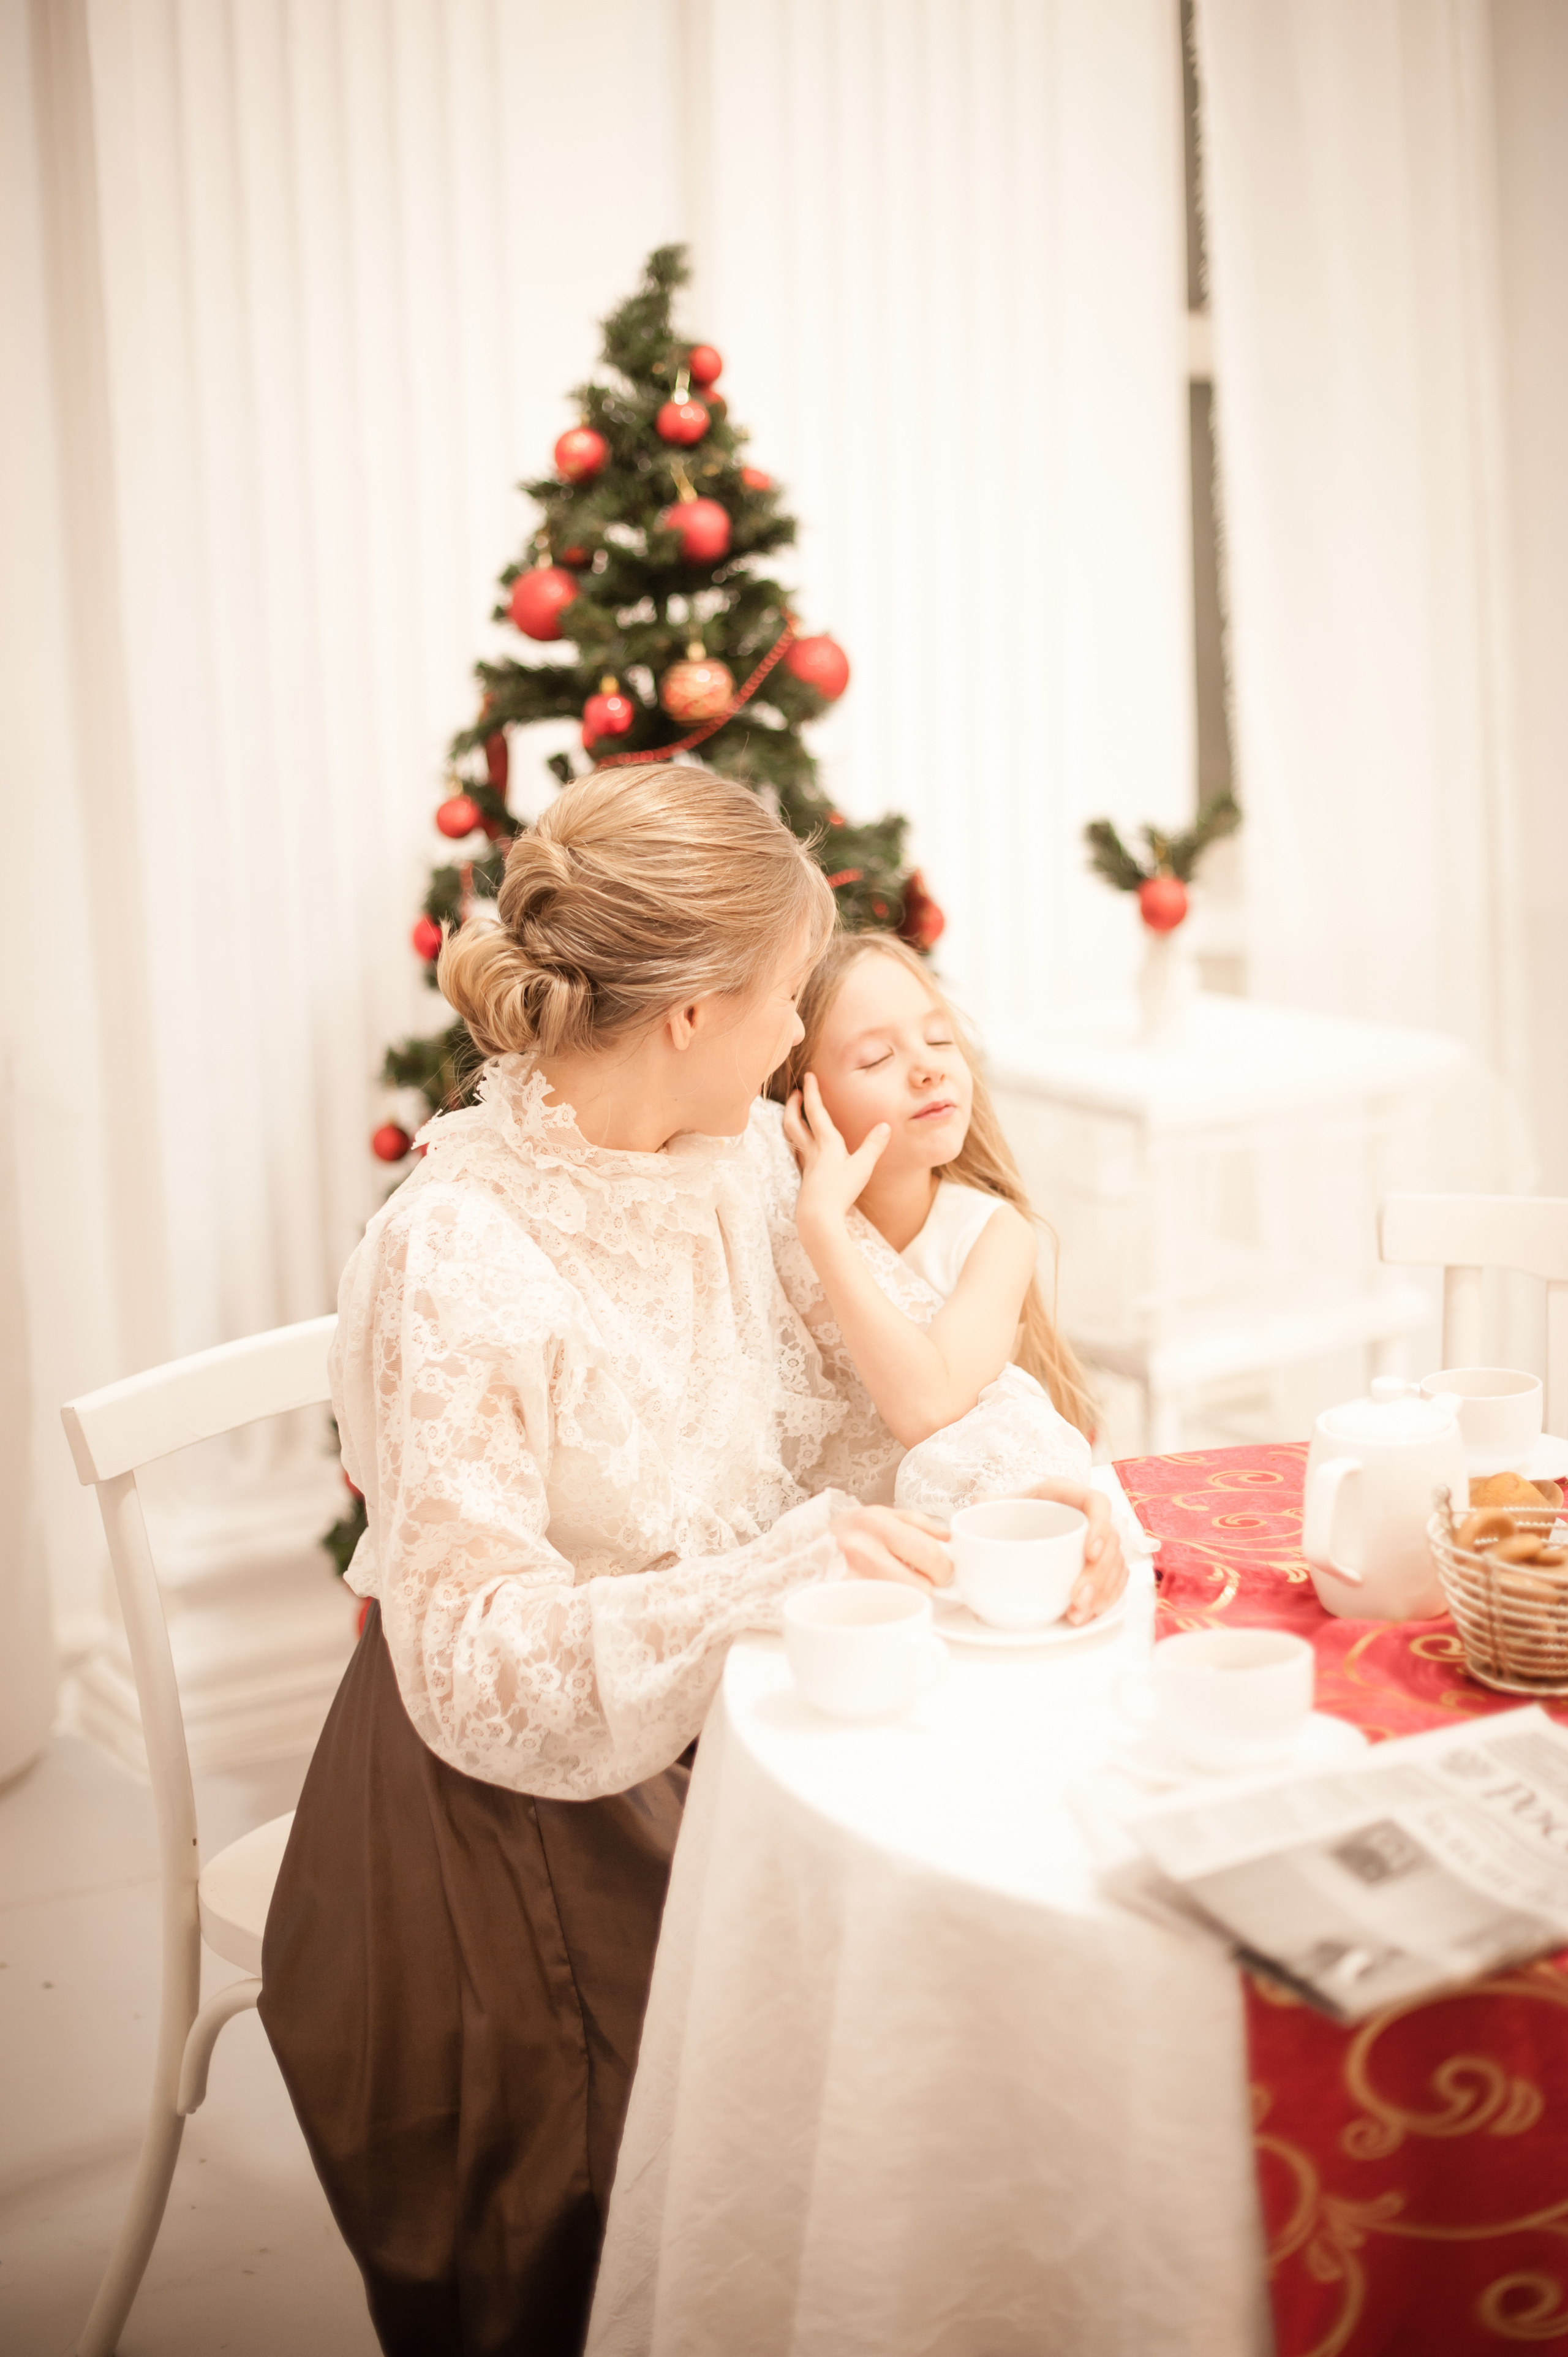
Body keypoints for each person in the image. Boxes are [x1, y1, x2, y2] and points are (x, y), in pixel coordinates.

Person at [260, 763, 1125, 2357]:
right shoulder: (458, 1250)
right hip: (496, 1828)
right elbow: (467, 1664)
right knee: (726, 2161)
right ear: (690, 1016)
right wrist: (761, 1584)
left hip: (710, 1733)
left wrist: (1045, 1487)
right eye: (790, 999)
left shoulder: (731, 1171)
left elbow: (896, 1390)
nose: (802, 1041)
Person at [773, 934, 1106, 1615]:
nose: (926, 1069)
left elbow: (932, 1407)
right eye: (876, 1057)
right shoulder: (765, 1217)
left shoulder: (992, 1234)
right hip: (841, 1568)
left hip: (959, 1561)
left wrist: (826, 1227)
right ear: (802, 1101)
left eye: (939, 1040)